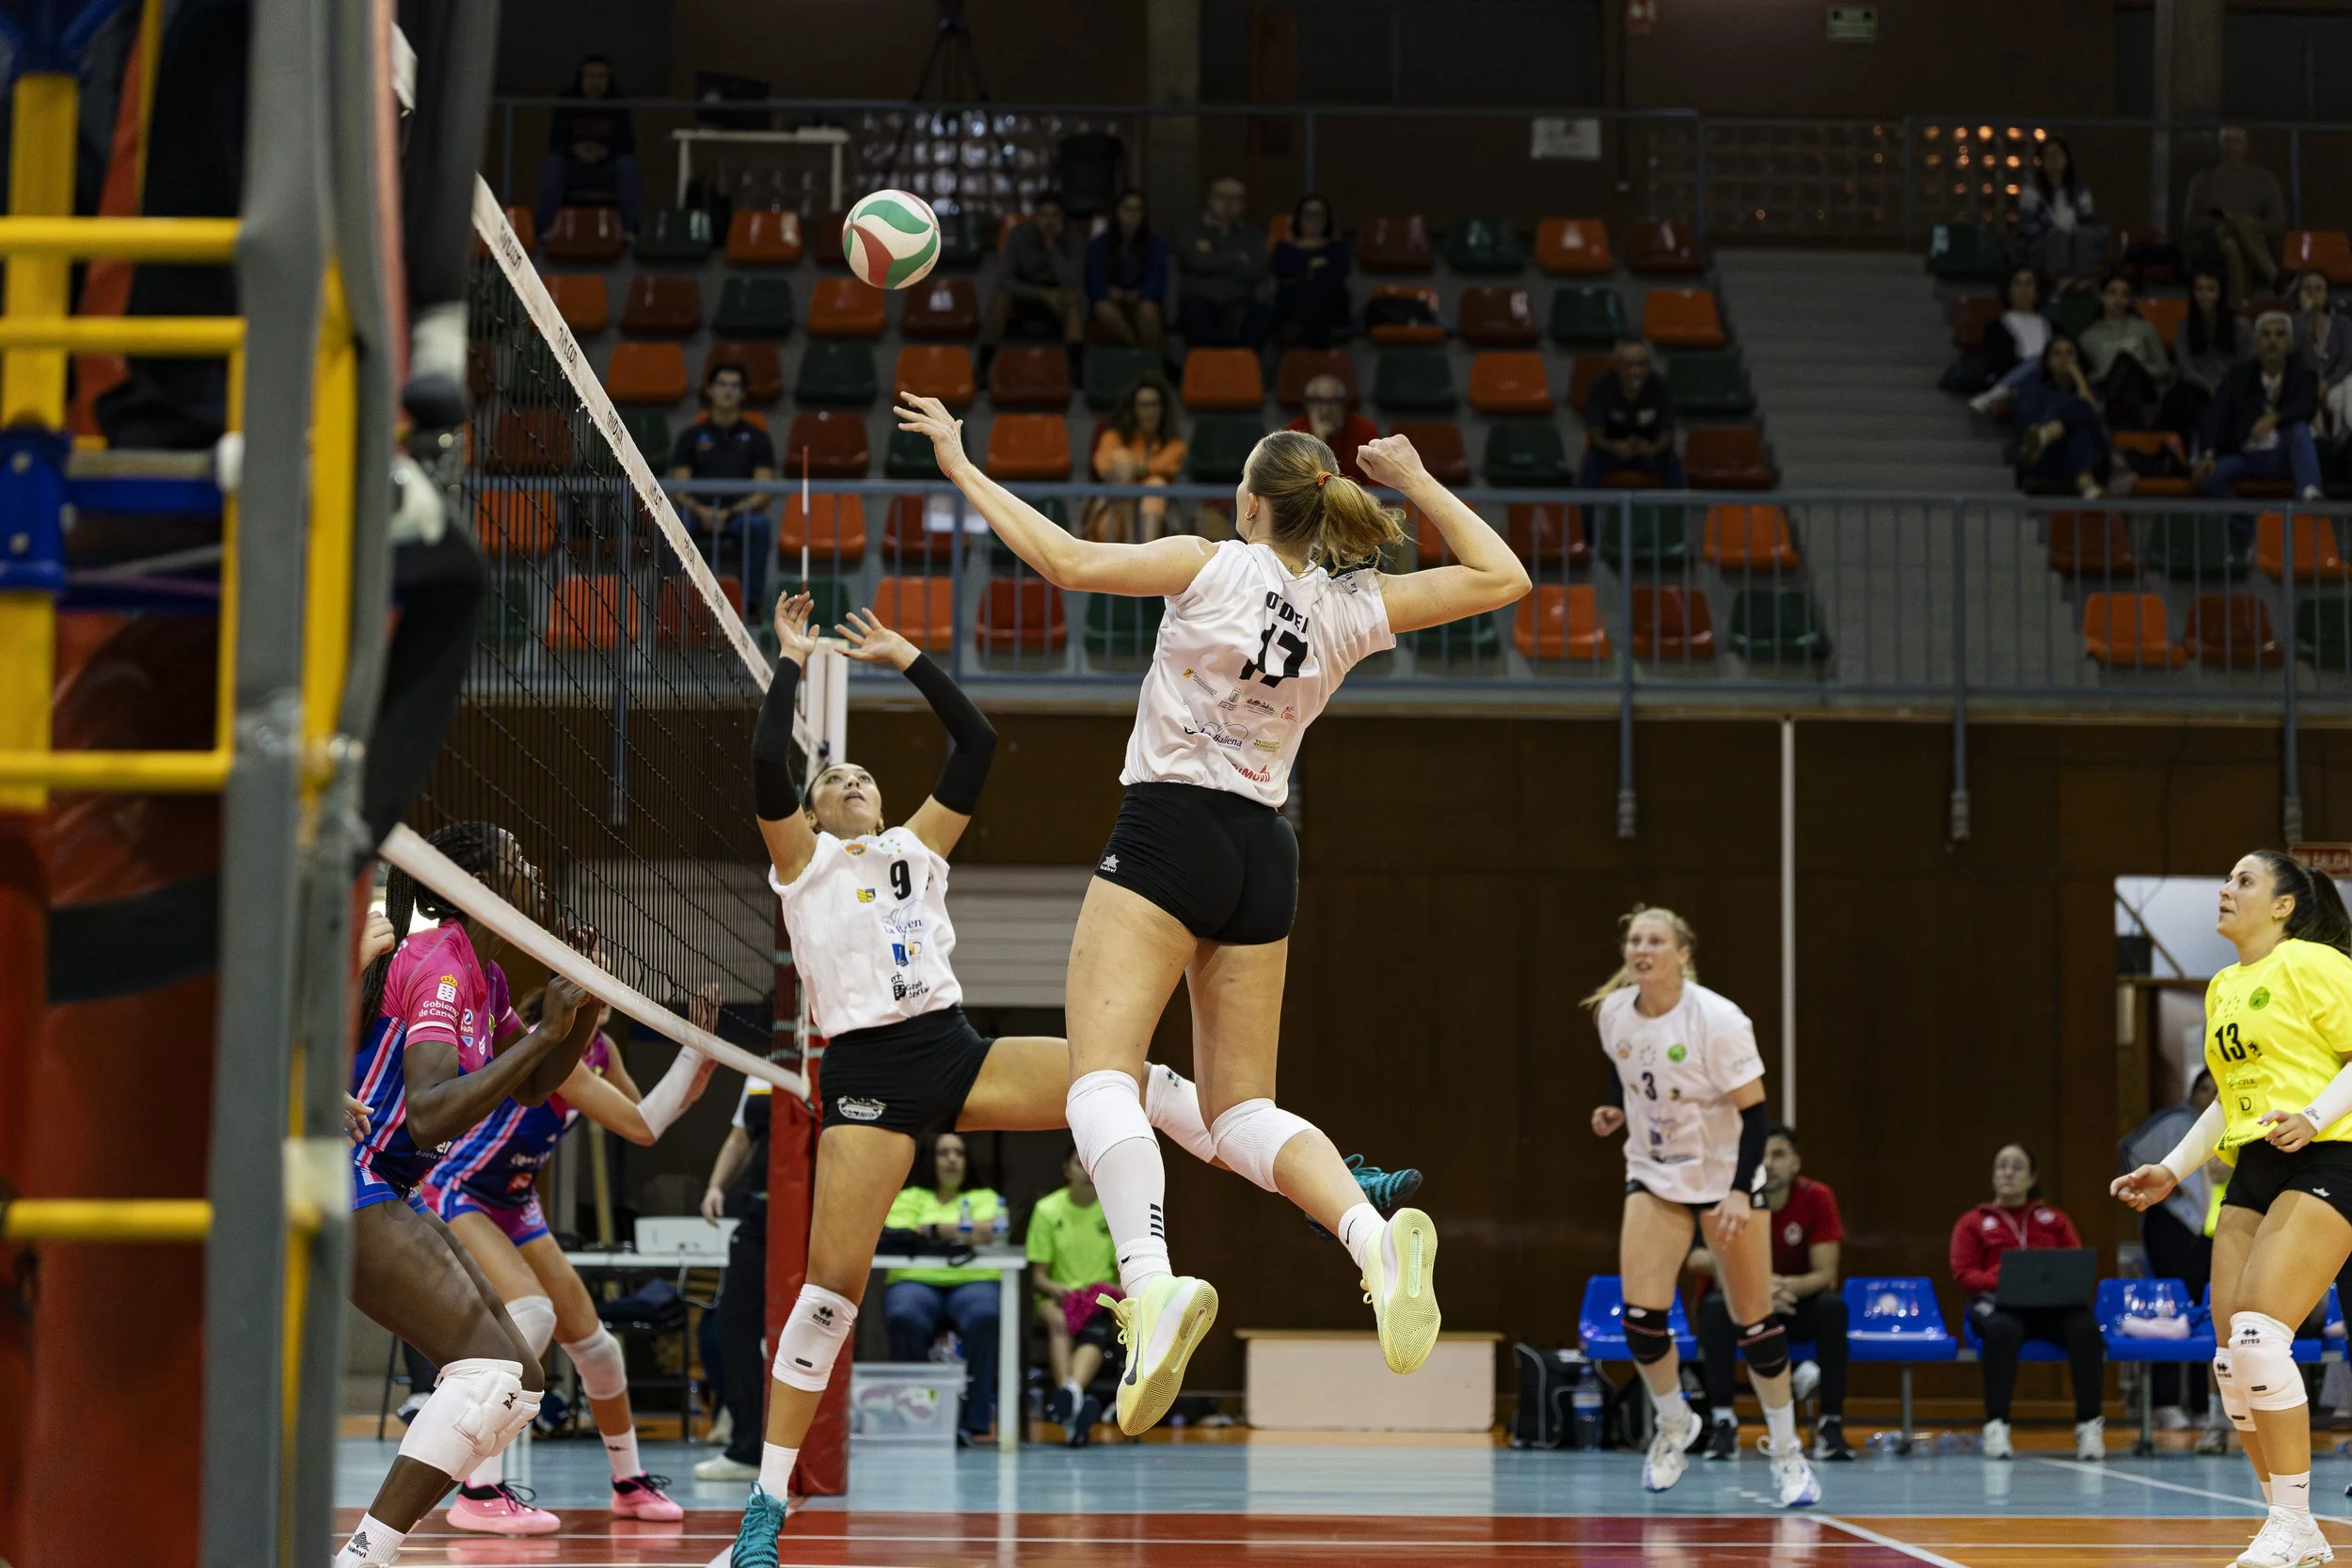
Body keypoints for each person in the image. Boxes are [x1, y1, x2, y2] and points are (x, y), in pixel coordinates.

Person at [714, 594, 1422, 1562]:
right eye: (834, 774)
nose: (851, 779)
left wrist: (908, 653)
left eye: (863, 774)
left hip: (953, 1046)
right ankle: (765, 1507)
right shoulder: (801, 863)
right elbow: (764, 766)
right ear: (815, 807)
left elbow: (974, 741)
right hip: (868, 1072)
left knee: (1134, 1077)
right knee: (830, 1290)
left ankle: (1325, 1184)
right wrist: (790, 660)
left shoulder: (917, 846)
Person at [889, 393, 1528, 1444]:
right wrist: (1414, 480)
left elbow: (1064, 561)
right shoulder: (1346, 607)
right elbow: (1505, 577)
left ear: (1250, 502)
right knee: (1237, 1112)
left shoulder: (1210, 561)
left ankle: (1148, 1281)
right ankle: (1371, 1239)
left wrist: (961, 464)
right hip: (1264, 853)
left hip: (1169, 829)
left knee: (1102, 1073)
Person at [334, 824, 604, 1568]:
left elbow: (534, 1084)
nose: (532, 869)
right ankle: (363, 1556)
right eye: (517, 859)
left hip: (392, 1182)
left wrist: (573, 1018)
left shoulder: (481, 975)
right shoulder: (440, 963)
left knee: (523, 1379)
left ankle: (368, 1550)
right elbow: (428, 1111)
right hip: (352, 1168)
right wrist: (544, 1033)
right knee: (491, 1373)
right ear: (480, 883)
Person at [2115, 852, 2352, 1568]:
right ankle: (2292, 1526)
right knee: (2231, 1358)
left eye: (2244, 881)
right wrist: (2172, 1166)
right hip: (2255, 1163)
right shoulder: (2223, 986)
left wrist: (2313, 1114)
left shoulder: (2313, 962)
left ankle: (2291, 1521)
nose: (2225, 889)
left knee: (2257, 1334)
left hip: (2330, 1150)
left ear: (2284, 905)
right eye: (2227, 878)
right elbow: (2226, 1099)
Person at [418, 990, 719, 1532]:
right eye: (591, 992)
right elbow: (644, 1124)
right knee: (531, 1313)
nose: (602, 1004)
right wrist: (692, 1053)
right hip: (460, 1189)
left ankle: (628, 1484)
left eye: (606, 997)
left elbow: (646, 1119)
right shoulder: (552, 1046)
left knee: (599, 1350)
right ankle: (478, 1490)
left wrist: (696, 1079)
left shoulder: (602, 1049)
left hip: (515, 1198)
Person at [1585, 909, 1823, 1509]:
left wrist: (1742, 1191)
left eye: (1656, 941)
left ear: (1683, 952)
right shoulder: (1614, 1011)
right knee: (1640, 1319)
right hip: (1655, 1173)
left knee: (1756, 1324)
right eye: (1635, 940)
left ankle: (1788, 1451)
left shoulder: (1718, 1020)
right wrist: (1616, 1109)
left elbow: (1755, 1115)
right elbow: (1626, 1066)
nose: (1643, 949)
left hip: (1726, 1178)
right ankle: (1674, 1423)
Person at [1689, 1124, 1852, 1463]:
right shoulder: (1728, 1197)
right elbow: (1696, 1257)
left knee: (1833, 1308)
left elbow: (1826, 1274)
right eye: (1761, 1155)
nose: (1769, 1163)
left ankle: (1831, 1425)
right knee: (1715, 1308)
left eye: (1778, 1155)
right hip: (1743, 1304)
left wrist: (1778, 1287)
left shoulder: (1818, 1197)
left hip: (1792, 1305)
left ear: (1796, 1163)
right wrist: (1757, 1286)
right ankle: (1722, 1422)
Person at [1949, 1143, 2105, 1463]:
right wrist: (2007, 1279)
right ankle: (1997, 1424)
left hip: (2052, 1308)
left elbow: (2075, 1266)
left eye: (2016, 1167)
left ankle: (2089, 1424)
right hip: (2001, 1306)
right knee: (2000, 1332)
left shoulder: (2055, 1220)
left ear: (2032, 1177)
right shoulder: (1972, 1222)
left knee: (2086, 1330)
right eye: (2001, 1166)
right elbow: (1964, 1275)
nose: (2007, 1173)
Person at [880, 1132, 1008, 1444]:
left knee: (986, 1315)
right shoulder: (908, 1197)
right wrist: (966, 1232)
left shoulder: (985, 1197)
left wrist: (935, 1230)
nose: (952, 1159)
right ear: (930, 1160)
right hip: (915, 1281)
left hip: (973, 1281)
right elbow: (899, 1234)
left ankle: (974, 1421)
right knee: (903, 1314)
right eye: (943, 1153)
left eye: (959, 1153)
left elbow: (995, 1232)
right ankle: (914, 1413)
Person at [2119, 1069, 2220, 1430]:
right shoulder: (2175, 1120)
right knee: (2168, 1310)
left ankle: (2198, 1402)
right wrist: (2164, 1189)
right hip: (2170, 1226)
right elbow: (2128, 1149)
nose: (2210, 1095)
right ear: (2192, 1091)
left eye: (2216, 1088)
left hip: (2208, 1230)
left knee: (2200, 1313)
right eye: (2204, 1088)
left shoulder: (2226, 1124)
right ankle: (2163, 1401)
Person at [1027, 1143, 1122, 1446]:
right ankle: (1074, 1398)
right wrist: (1060, 1290)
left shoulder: (1113, 1211)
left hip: (1099, 1302)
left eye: (1091, 1165)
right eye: (1079, 1164)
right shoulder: (1047, 1211)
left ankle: (1069, 1403)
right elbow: (1039, 1277)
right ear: (1066, 1169)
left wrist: (1105, 1293)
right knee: (1058, 1322)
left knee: (1095, 1328)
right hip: (1055, 1299)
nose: (1086, 1172)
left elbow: (1122, 1277)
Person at [670, 361, 777, 622]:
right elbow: (680, 489)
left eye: (735, 386)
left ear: (743, 393)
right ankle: (672, 601)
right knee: (674, 524)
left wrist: (728, 512)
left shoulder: (758, 438)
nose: (728, 391)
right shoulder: (691, 436)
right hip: (697, 513)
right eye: (722, 385)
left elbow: (763, 492)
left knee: (759, 526)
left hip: (739, 515)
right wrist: (701, 510)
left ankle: (751, 606)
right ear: (710, 390)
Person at [2196, 312, 2326, 505]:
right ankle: (2248, 525)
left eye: (2279, 334)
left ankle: (2310, 493)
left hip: (2285, 454)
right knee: (2205, 479)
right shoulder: (2238, 375)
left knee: (2300, 430)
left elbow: (2306, 406)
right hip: (2247, 454)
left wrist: (2276, 417)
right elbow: (2217, 413)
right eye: (2266, 335)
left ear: (2289, 343)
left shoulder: (2304, 374)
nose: (2272, 340)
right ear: (2257, 342)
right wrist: (2208, 453)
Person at [533, 55, 641, 236]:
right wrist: (576, 150)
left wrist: (604, 152)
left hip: (607, 168)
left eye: (601, 77)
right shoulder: (567, 100)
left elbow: (627, 143)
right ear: (581, 78)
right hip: (573, 168)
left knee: (627, 164)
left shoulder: (618, 103)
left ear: (609, 80)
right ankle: (546, 229)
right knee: (553, 163)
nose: (595, 82)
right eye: (590, 76)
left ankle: (630, 230)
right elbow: (557, 140)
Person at [2185, 128, 2287, 312]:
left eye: (2236, 141)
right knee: (2236, 225)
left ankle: (2237, 306)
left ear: (2246, 146)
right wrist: (2223, 219)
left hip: (2247, 241)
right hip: (2211, 242)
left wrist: (2252, 223)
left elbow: (2277, 224)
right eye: (2227, 141)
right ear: (2220, 146)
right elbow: (2190, 223)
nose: (2231, 147)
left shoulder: (2263, 179)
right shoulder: (2203, 180)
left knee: (2233, 244)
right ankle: (2274, 276)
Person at [1085, 373, 1186, 544]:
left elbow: (1164, 466)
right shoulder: (1113, 436)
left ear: (1163, 409)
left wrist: (1135, 470)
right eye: (1144, 405)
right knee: (1120, 460)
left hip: (1157, 518)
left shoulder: (1175, 445)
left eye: (1154, 405)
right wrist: (1127, 470)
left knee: (1156, 484)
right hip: (1113, 511)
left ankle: (1145, 554)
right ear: (1133, 409)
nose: (1149, 411)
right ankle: (1131, 553)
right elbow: (1103, 466)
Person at [1175, 176, 1270, 350]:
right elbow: (1196, 262)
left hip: (1240, 301)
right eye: (1221, 197)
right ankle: (1210, 370)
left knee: (1261, 313)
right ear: (1209, 200)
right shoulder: (1189, 229)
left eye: (1235, 198)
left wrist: (1214, 260)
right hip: (1200, 300)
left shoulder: (1254, 235)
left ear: (1243, 204)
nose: (1227, 203)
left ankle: (1243, 369)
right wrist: (1237, 258)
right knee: (1195, 313)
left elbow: (1258, 270)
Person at [986, 190, 1086, 352]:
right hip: (1024, 295)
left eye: (1055, 216)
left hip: (1058, 297)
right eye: (1044, 215)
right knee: (999, 301)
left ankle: (1076, 369)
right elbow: (1005, 280)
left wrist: (1052, 247)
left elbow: (1073, 283)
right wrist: (1040, 293)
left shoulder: (1073, 239)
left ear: (1062, 218)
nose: (1049, 221)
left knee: (1073, 303)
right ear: (1035, 217)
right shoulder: (1018, 235)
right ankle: (983, 366)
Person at [2010, 337, 2109, 499]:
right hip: (2045, 457)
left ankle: (2045, 434)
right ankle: (2087, 485)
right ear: (2048, 361)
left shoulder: (2093, 390)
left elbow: (2096, 419)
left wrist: (2080, 381)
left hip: (2093, 456)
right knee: (2079, 429)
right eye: (2057, 354)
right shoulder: (2035, 390)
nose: (2064, 358)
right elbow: (2025, 426)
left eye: (2069, 353)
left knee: (2082, 414)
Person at [1579, 338, 1684, 489]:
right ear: (1617, 365)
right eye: (1629, 365)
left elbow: (1667, 432)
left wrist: (1652, 448)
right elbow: (1595, 434)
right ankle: (1588, 513)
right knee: (1591, 462)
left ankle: (1674, 512)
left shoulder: (1660, 387)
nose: (1637, 371)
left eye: (1642, 364)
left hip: (1649, 451)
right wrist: (1615, 446)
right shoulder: (1601, 387)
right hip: (1610, 451)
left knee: (1673, 462)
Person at [2078, 273, 2172, 432]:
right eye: (2113, 293)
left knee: (2125, 360)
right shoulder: (2088, 337)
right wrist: (2096, 378)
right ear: (2102, 297)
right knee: (2121, 363)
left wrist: (2138, 365)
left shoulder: (2144, 329)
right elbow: (2083, 377)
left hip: (2142, 392)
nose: (2118, 299)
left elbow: (2164, 369)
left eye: (2124, 294)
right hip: (2109, 396)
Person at [1086, 189, 1168, 350]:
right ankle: (1138, 352)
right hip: (1111, 299)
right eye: (1127, 209)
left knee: (1147, 311)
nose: (1133, 215)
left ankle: (1151, 362)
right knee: (1102, 309)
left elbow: (1158, 279)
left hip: (1142, 299)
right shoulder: (1099, 244)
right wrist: (1109, 292)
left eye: (1137, 210)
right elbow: (1092, 281)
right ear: (1117, 212)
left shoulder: (1155, 243)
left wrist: (1140, 293)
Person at [2016, 136, 2103, 291]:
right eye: (2049, 155)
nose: (2054, 159)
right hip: (2041, 248)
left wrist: (2073, 236)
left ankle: (2082, 283)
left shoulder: (2079, 191)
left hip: (2073, 247)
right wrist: (2055, 233)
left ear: (2066, 159)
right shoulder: (2032, 190)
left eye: (2058, 154)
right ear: (2042, 161)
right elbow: (2028, 227)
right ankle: (2060, 285)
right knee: (2058, 237)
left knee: (2084, 237)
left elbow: (2088, 223)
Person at [2169, 270, 2246, 441]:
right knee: (2182, 397)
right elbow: (2185, 367)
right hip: (2197, 388)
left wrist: (2223, 382)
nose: (2205, 295)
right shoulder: (2183, 328)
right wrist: (2206, 385)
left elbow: (2246, 363)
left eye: (2211, 289)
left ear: (2220, 292)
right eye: (2200, 289)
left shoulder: (2240, 326)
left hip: (2231, 386)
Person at [1968, 267, 2054, 415]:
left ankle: (1997, 392)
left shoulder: (2052, 326)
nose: (2023, 290)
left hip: (2049, 380)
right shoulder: (1996, 327)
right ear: (2009, 290)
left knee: (2042, 361)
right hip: (2019, 385)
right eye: (2018, 284)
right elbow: (1998, 362)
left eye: (2029, 284)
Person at [1272, 193, 1352, 349]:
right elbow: (1282, 269)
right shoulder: (1284, 248)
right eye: (1307, 213)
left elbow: (1340, 271)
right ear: (1298, 218)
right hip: (1292, 305)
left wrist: (1303, 271)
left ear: (1327, 219)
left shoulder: (1338, 247)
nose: (1312, 219)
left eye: (1318, 214)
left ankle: (1302, 332)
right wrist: (1313, 267)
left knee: (1320, 291)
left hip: (1331, 304)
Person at [2289, 269, 2352, 436]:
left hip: (2335, 382)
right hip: (2303, 384)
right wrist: (2305, 315)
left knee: (2346, 389)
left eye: (2318, 288)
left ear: (2326, 295)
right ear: (2299, 294)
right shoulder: (2290, 324)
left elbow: (2347, 361)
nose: (2313, 293)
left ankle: (2344, 440)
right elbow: (2291, 355)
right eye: (2307, 289)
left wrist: (2328, 383)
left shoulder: (2342, 324)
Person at [1285, 373, 1377, 481]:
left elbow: (1378, 488)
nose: (1325, 410)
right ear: (1308, 406)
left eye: (1333, 401)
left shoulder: (1364, 430)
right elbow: (1294, 483)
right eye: (1317, 402)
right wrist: (1319, 442)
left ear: (1343, 405)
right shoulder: (1294, 433)